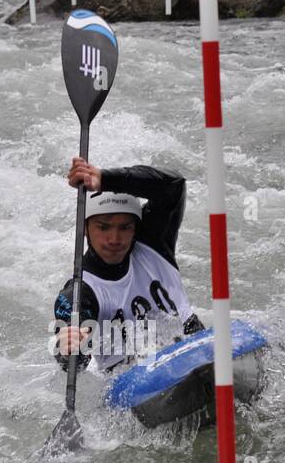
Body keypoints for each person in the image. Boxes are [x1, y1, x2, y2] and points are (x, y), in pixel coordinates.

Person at [53, 157, 204, 374]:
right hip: (133, 379)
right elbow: (75, 364)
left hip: (191, 344)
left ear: (136, 227)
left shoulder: (153, 243)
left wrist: (105, 178)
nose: (114, 238)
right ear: (85, 229)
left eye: (125, 227)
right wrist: (69, 349)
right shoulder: (81, 291)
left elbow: (173, 184)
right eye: (103, 227)